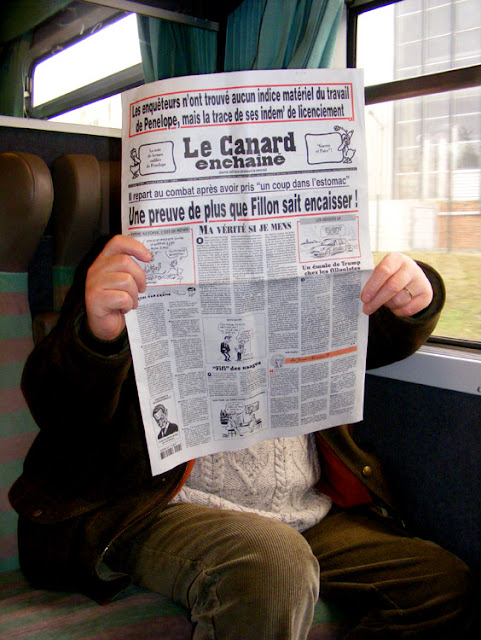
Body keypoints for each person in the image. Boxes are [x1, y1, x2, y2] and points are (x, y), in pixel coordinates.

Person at [10, 234, 474, 639]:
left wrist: (417, 293)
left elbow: (381, 333)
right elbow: (59, 411)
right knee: (271, 563)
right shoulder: (129, 259)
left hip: (301, 504)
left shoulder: (310, 251)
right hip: (162, 503)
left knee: (440, 585)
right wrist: (95, 336)